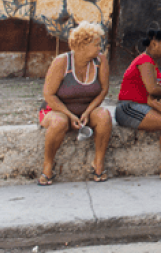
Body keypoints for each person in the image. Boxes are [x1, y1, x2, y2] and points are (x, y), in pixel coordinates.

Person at [37, 21, 112, 185]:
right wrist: (69, 115)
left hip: (85, 112)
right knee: (58, 122)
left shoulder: (100, 61)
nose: (100, 48)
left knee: (104, 116)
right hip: (57, 110)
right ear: (82, 45)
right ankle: (47, 166)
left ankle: (98, 164)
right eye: (96, 45)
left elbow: (103, 90)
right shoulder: (62, 62)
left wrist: (86, 112)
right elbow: (49, 94)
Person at [114, 29, 161, 180]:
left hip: (143, 106)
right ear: (154, 44)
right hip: (128, 108)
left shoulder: (152, 63)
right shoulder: (145, 61)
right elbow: (152, 90)